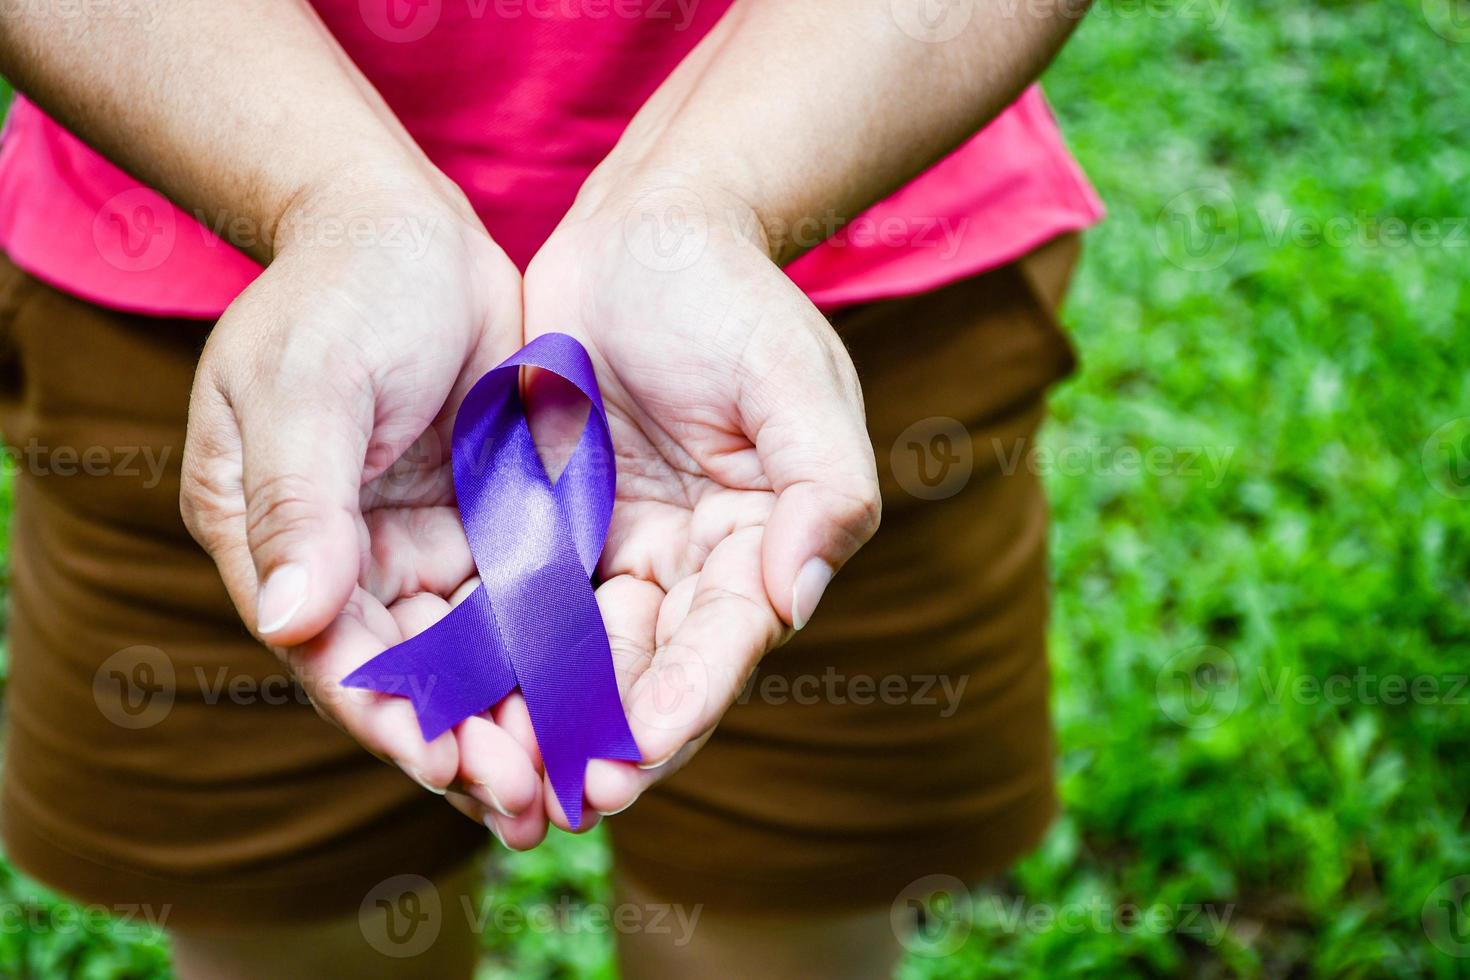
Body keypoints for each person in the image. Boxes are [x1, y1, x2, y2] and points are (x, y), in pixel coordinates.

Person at [0, 1, 1102, 976]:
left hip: (823, 319)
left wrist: (712, 198)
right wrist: (328, 200)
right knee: (288, 927)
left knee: (793, 919)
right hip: (228, 323)